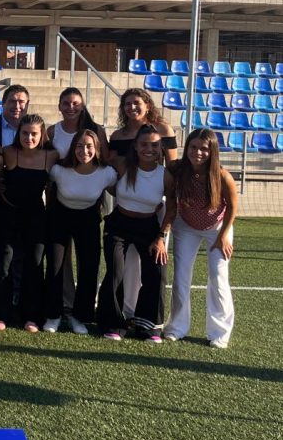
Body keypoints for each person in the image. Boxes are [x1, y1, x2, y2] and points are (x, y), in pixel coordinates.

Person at [97, 125, 175, 342]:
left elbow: (172, 209)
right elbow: (100, 170)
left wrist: (161, 237)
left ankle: (148, 326)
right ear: (135, 146)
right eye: (144, 144)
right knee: (116, 271)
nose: (149, 149)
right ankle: (112, 323)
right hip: (118, 225)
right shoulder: (122, 165)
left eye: (154, 145)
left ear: (161, 148)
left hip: (149, 227)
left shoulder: (166, 176)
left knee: (157, 272)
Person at [164, 128, 238, 348]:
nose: (198, 152)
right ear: (187, 147)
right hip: (186, 226)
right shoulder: (178, 169)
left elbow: (233, 207)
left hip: (217, 228)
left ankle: (219, 333)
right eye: (193, 147)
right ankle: (176, 327)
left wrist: (223, 236)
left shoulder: (222, 176)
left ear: (212, 151)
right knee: (181, 276)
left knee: (218, 276)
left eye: (204, 149)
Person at [45, 129, 116, 335]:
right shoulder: (58, 170)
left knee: (89, 268)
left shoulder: (107, 173)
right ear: (72, 148)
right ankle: (53, 314)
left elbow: (119, 190)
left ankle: (80, 316)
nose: (84, 151)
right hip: (60, 217)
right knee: (55, 267)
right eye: (79, 146)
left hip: (88, 220)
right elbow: (48, 189)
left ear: (97, 149)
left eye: (89, 146)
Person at [0, 114, 57, 333]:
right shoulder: (8, 152)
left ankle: (31, 316)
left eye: (34, 134)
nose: (29, 138)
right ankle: (0, 313)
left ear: (42, 134)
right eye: (25, 133)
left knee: (34, 265)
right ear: (19, 133)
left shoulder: (51, 156)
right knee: (4, 263)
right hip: (8, 214)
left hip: (36, 216)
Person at [108, 88, 178, 163]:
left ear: (148, 106)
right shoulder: (117, 136)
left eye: (137, 103)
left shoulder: (164, 130)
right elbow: (112, 164)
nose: (132, 107)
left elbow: (172, 165)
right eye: (128, 104)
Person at [46, 87, 108, 159]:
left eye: (75, 104)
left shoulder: (96, 130)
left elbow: (106, 159)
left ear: (82, 107)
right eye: (66, 104)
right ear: (59, 107)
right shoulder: (52, 131)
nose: (71, 107)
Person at [0, 84, 29, 151]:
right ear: (3, 103)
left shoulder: (34, 128)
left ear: (27, 104)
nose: (17, 106)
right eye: (12, 101)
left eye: (21, 102)